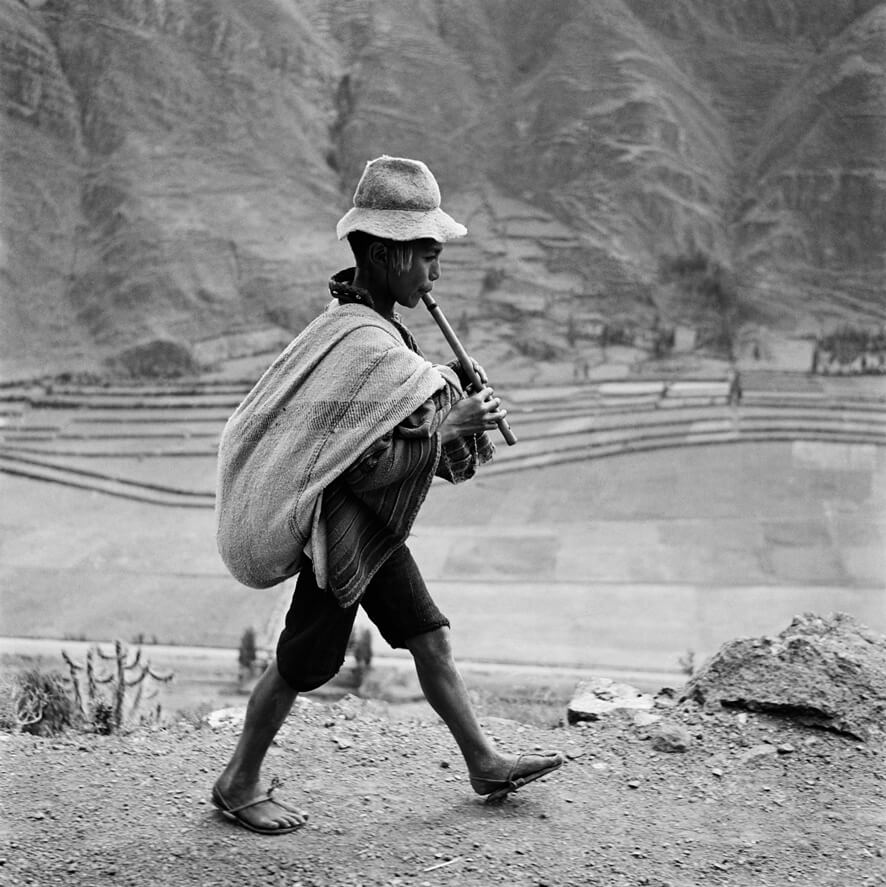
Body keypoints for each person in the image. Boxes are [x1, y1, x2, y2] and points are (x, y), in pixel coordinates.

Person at [211, 155, 564, 835]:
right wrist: (451, 422)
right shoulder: (366, 346)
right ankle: (237, 780)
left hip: (373, 532)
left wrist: (443, 392)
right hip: (341, 539)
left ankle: (484, 760)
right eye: (426, 255)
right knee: (302, 661)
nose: (436, 272)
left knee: (429, 638)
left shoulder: (370, 336)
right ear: (382, 253)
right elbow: (364, 467)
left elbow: (388, 433)